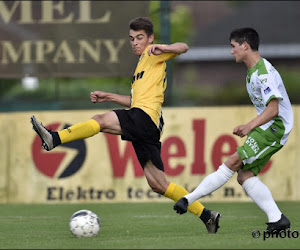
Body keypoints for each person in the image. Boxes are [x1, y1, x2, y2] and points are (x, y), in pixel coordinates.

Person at [30, 17, 220, 233]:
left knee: (101, 121)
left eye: (140, 38)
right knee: (158, 184)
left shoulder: (153, 53)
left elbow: (183, 47)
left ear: (150, 38)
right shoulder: (142, 66)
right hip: (147, 122)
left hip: (145, 118)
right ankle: (207, 216)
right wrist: (108, 96)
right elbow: (135, 101)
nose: (135, 42)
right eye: (131, 39)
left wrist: (162, 47)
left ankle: (54, 139)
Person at [174, 27, 293, 233]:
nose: (231, 51)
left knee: (232, 162)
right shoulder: (253, 72)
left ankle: (188, 199)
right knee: (244, 175)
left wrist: (249, 125)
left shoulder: (263, 74)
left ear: (245, 45)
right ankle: (277, 219)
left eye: (233, 46)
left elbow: (273, 109)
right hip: (267, 127)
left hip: (275, 128)